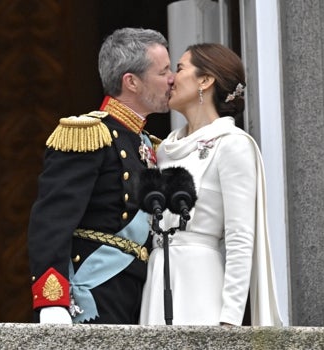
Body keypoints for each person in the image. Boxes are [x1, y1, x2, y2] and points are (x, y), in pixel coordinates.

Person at [28, 27, 174, 324]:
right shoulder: (88, 134)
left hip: (141, 297)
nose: (172, 79)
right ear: (131, 82)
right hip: (93, 292)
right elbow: (51, 221)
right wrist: (52, 300)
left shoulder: (149, 144)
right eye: (164, 71)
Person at [139, 43, 282, 326]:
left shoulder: (232, 145)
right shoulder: (165, 149)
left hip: (201, 284)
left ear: (205, 80)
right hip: (157, 277)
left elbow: (241, 237)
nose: (171, 79)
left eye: (179, 69)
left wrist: (229, 319)